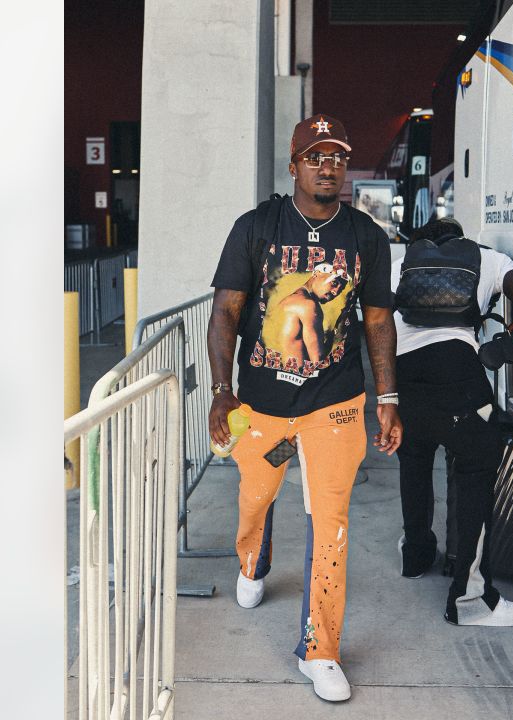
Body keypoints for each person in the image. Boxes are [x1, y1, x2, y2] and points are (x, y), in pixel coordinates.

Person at [206, 113, 402, 702]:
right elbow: (226, 313)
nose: (328, 166)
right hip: (262, 403)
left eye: (338, 157)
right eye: (315, 156)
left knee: (331, 520)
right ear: (293, 165)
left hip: (335, 402)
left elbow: (377, 321)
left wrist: (387, 398)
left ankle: (320, 649)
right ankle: (252, 558)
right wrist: (222, 389)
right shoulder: (256, 226)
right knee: (255, 498)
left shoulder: (366, 237)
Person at [391, 217, 513, 626]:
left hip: (405, 379)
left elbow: (372, 324)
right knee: (475, 469)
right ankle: (470, 600)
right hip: (459, 379)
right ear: (460, 241)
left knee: (415, 461)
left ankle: (416, 555)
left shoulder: (399, 261)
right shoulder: (488, 260)